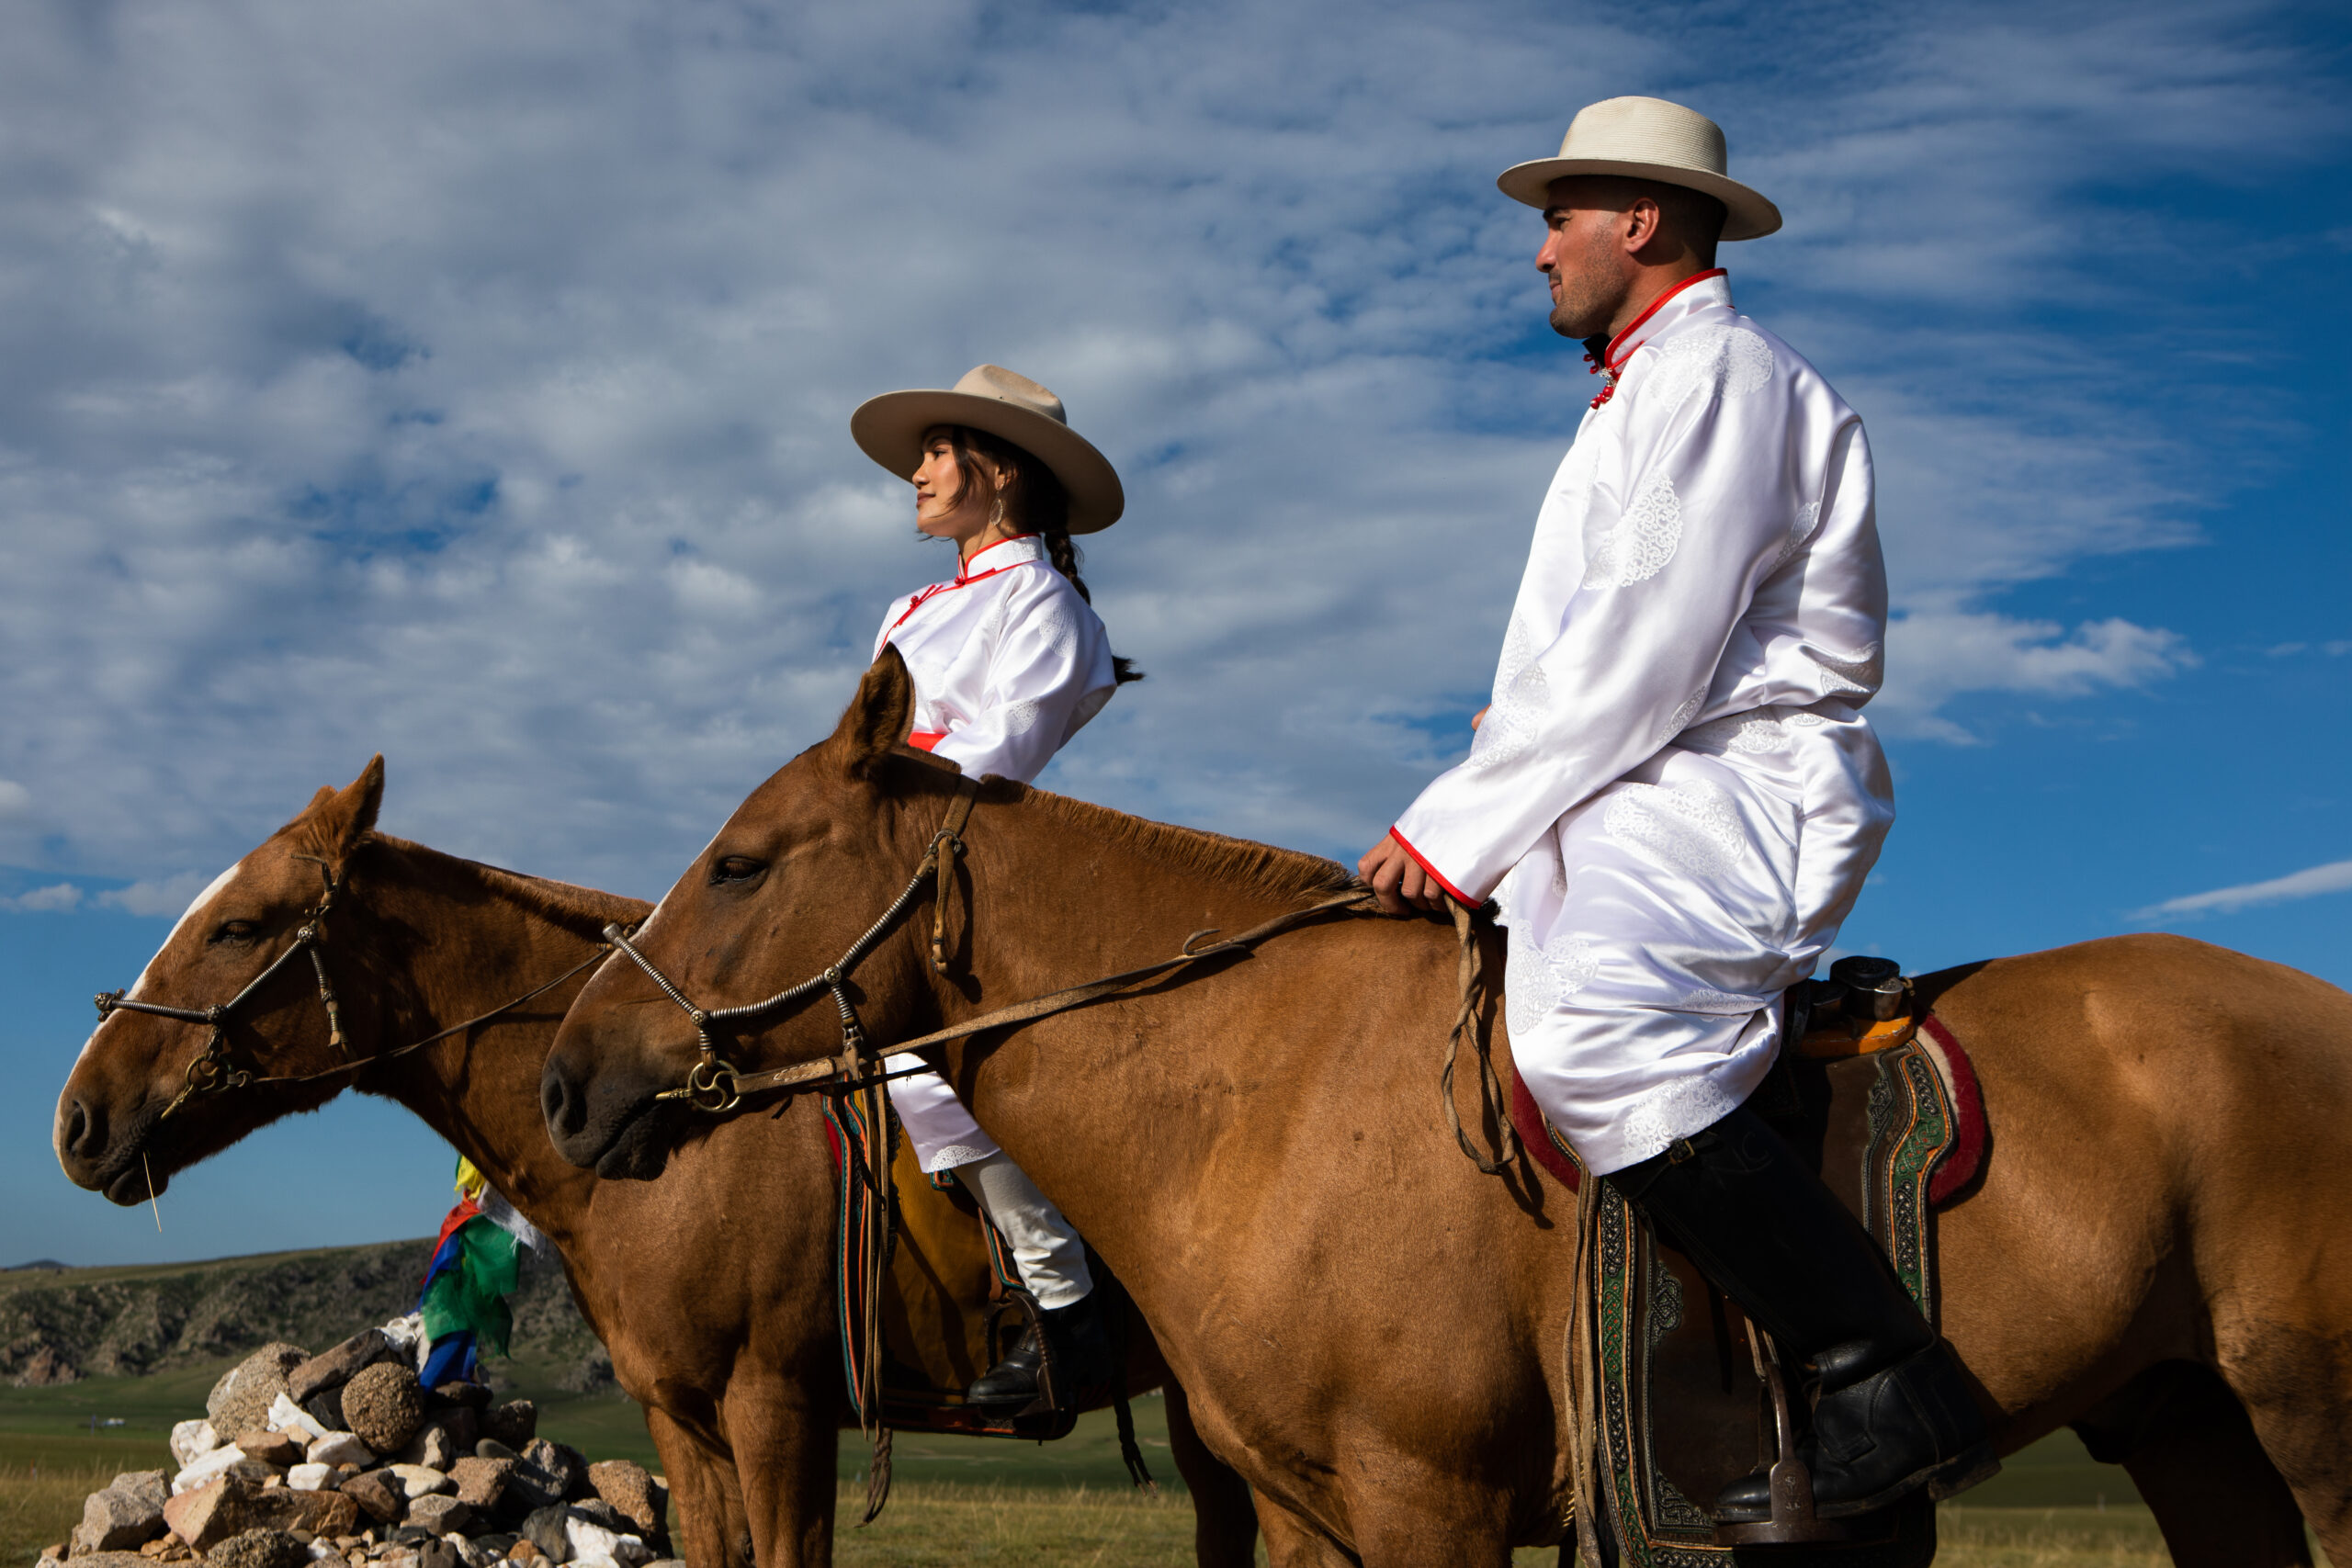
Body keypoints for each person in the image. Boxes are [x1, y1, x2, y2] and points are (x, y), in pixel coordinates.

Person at [1357, 97, 1993, 1523]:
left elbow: (1645, 645)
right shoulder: (1650, 385)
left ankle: (1881, 1365)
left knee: (1589, 1016)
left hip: (1732, 783)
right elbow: (1604, 651)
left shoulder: (1721, 381)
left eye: (1557, 218)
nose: (1539, 253)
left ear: (1637, 220)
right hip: (1646, 763)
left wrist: (1447, 828)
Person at [848, 363, 1140, 1408]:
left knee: (923, 1069)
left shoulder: (1051, 607)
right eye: (923, 454)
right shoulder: (910, 605)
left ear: (1000, 471)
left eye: (937, 453)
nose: (917, 473)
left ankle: (1068, 1311)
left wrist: (885, 809)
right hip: (872, 853)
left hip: (964, 865)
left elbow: (999, 758)